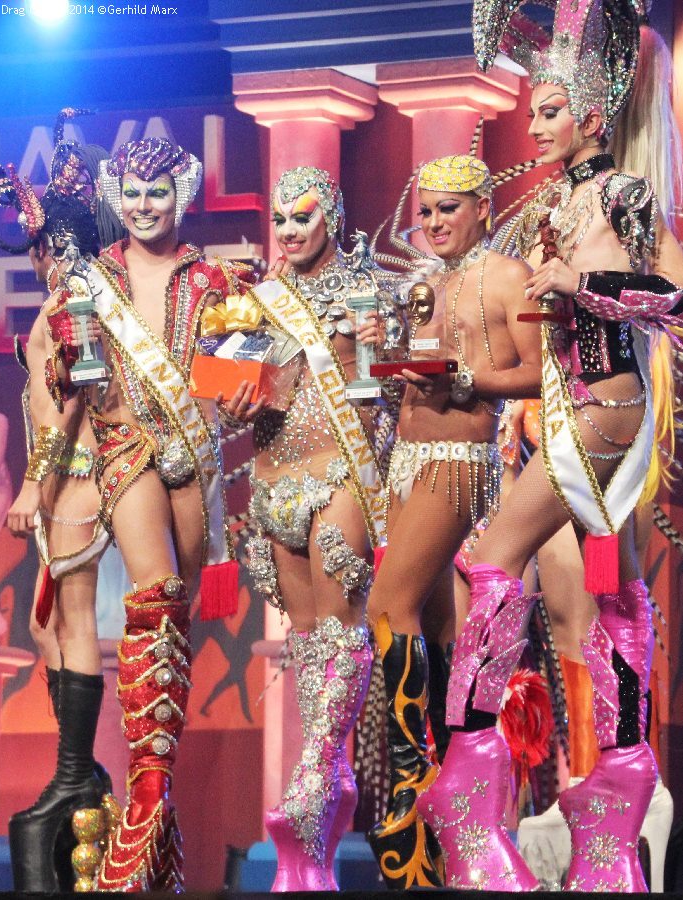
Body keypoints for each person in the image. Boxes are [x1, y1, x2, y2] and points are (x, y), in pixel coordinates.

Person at [418, 0, 683, 891]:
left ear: (592, 116)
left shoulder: (620, 194)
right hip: (570, 410)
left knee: (490, 561)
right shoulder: (556, 201)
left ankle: (467, 777)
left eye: (549, 111)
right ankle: (616, 804)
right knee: (614, 594)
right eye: (531, 111)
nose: (530, 126)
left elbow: (671, 297)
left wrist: (584, 283)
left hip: (605, 412)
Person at [47, 137, 249, 891]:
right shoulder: (90, 278)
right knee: (154, 599)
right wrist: (64, 354)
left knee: (177, 624)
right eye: (131, 192)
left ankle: (155, 806)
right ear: (116, 196)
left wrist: (241, 383)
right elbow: (62, 380)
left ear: (180, 196)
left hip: (193, 456)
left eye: (156, 192)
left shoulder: (215, 278)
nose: (142, 206)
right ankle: (147, 802)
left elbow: (240, 379)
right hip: (125, 449)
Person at [358, 154, 542, 889]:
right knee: (435, 628)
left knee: (386, 606)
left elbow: (540, 370)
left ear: (481, 208)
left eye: (448, 208)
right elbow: (404, 381)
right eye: (426, 211)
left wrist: (468, 381)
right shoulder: (422, 283)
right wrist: (381, 362)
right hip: (406, 459)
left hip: (456, 462)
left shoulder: (507, 276)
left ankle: (412, 789)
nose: (433, 222)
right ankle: (441, 809)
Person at [221, 166, 403, 891]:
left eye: (303, 216)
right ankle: (323, 816)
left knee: (341, 628)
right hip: (272, 480)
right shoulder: (254, 301)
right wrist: (229, 399)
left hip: (340, 470)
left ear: (331, 214)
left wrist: (381, 344)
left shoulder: (369, 287)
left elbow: (397, 387)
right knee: (305, 641)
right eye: (280, 219)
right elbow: (230, 399)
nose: (290, 230)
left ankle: (314, 773)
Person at [0, 110, 124, 892]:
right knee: (48, 622)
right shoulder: (65, 301)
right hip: (62, 476)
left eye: (39, 244)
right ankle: (75, 770)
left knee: (71, 619)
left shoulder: (73, 302)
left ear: (60, 244)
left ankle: (75, 774)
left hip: (73, 475)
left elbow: (73, 404)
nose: (34, 255)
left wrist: (32, 487)